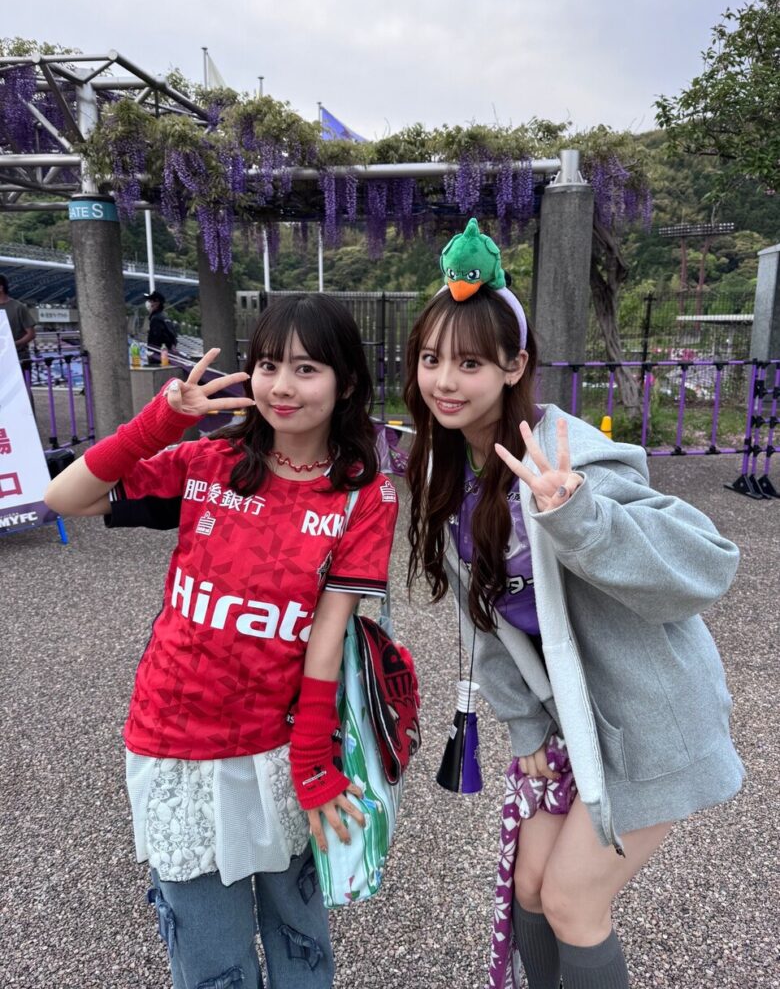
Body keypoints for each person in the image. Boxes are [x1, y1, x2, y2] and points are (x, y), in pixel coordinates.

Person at [404, 219, 744, 989]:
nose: (445, 381)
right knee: (529, 885)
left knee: (570, 901)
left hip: (650, 722)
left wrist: (579, 515)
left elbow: (709, 564)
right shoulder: (447, 471)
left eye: (469, 362)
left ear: (515, 365)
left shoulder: (569, 456)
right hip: (574, 725)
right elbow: (486, 620)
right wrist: (526, 722)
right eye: (431, 359)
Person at [45, 293, 399, 989]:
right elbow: (66, 497)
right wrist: (161, 421)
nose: (282, 386)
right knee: (211, 958)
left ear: (347, 382)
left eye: (306, 368)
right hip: (173, 741)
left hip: (278, 751)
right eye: (268, 365)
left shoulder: (362, 496)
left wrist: (313, 762)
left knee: (301, 946)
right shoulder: (207, 463)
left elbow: (327, 638)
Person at [0, 273, 36, 369]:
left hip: (19, 358)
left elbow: (31, 334)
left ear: (1, 288)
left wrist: (13, 344)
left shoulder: (18, 307)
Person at [145, 290, 177, 364]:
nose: (149, 304)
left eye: (151, 301)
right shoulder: (165, 317)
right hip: (166, 355)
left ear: (157, 302)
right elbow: (173, 337)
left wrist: (151, 354)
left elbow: (155, 340)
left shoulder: (156, 319)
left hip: (158, 356)